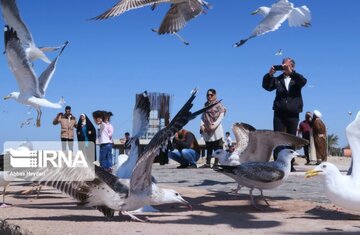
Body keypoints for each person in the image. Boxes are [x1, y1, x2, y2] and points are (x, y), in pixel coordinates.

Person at [262, 57, 307, 172]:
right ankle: (278, 164)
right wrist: (269, 75)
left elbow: (303, 81)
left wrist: (291, 73)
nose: (283, 67)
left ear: (292, 66)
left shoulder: (296, 79)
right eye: (282, 65)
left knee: (291, 138)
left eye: (286, 65)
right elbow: (267, 87)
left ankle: (290, 164)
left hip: (293, 112)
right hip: (279, 112)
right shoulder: (277, 79)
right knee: (278, 138)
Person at [199, 89, 226, 168]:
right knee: (209, 146)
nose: (209, 96)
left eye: (211, 95)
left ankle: (216, 163)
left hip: (216, 128)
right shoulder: (205, 105)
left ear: (215, 95)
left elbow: (221, 115)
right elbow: (202, 116)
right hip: (207, 127)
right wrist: (202, 125)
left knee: (217, 146)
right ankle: (208, 163)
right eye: (208, 95)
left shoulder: (219, 105)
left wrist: (214, 125)